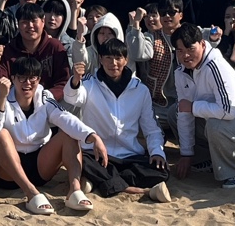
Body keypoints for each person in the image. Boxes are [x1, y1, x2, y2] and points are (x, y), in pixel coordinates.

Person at [0, 56, 107, 215]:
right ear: (13, 78)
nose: (27, 83)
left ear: (39, 79)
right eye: (22, 78)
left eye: (32, 78)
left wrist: (93, 136)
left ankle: (75, 190)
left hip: (40, 165)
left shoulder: (44, 97)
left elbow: (64, 117)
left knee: (68, 133)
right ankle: (31, 193)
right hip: (8, 172)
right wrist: (2, 97)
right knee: (0, 134)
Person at [62, 38, 172, 202]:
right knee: (81, 161)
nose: (113, 63)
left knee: (162, 169)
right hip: (96, 154)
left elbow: (151, 128)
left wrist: (157, 151)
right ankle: (137, 189)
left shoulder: (140, 89)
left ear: (126, 60)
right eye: (108, 58)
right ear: (100, 59)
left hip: (129, 155)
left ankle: (99, 181)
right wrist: (75, 80)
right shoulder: (89, 84)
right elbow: (72, 98)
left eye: (118, 58)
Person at [171, 22, 235, 189]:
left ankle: (234, 172)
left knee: (216, 124)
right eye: (180, 51)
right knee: (175, 112)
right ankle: (206, 160)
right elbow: (184, 112)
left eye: (190, 49)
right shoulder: (180, 71)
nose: (185, 55)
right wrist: (186, 154)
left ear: (202, 44)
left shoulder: (216, 65)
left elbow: (228, 111)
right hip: (217, 125)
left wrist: (193, 107)